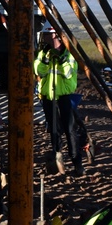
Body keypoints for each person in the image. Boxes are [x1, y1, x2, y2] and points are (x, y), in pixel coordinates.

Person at [33, 26, 90, 174]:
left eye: (46, 34)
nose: (43, 38)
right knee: (53, 130)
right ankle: (57, 159)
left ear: (54, 36)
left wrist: (61, 59)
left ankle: (77, 163)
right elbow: (38, 71)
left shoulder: (69, 55)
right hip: (48, 98)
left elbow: (68, 73)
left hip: (65, 97)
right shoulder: (42, 54)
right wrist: (46, 59)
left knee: (70, 130)